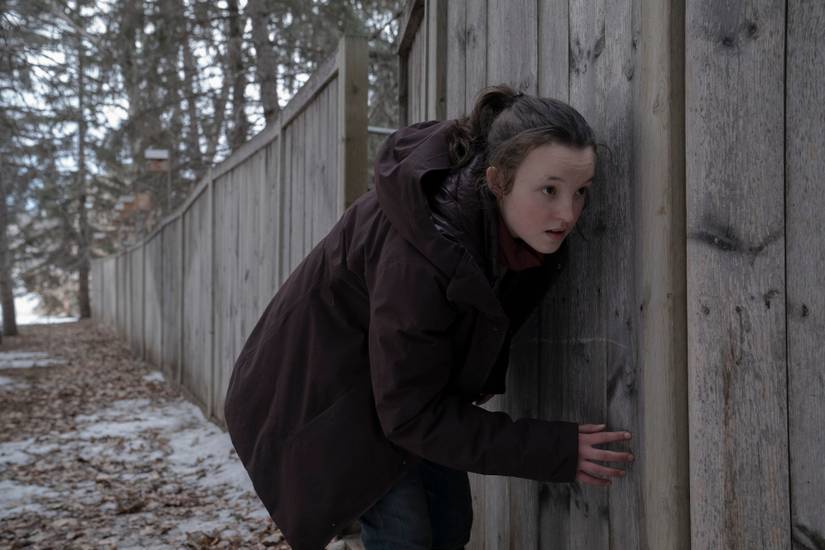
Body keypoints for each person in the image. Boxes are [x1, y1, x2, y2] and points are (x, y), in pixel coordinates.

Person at [223, 84, 635, 550]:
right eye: (549, 190)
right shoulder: (422, 257)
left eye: (581, 192)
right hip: (313, 398)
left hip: (395, 389)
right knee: (407, 534)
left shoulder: (511, 232)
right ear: (498, 180)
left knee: (449, 522)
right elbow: (411, 416)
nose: (568, 213)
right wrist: (552, 450)